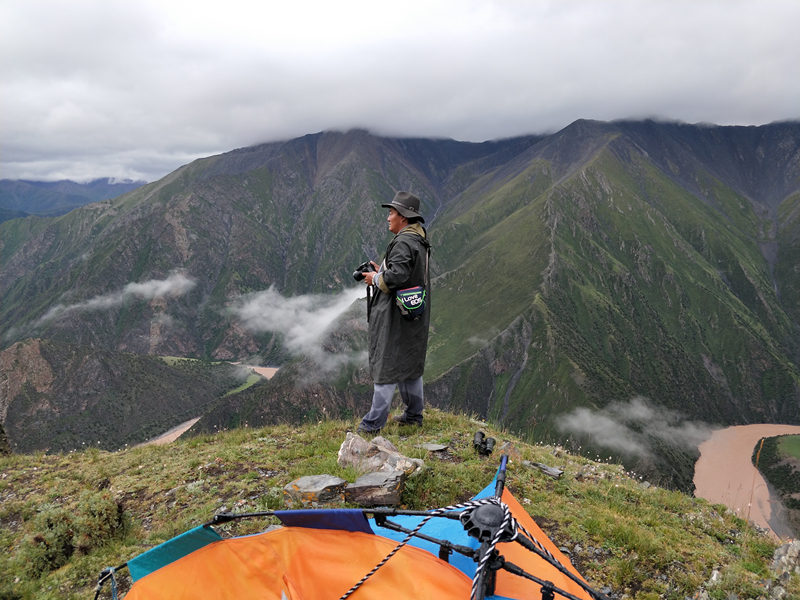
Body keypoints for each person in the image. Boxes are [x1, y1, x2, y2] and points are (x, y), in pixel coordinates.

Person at [358, 191, 431, 434]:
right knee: (409, 364)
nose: (388, 218)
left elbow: (397, 276)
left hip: (395, 317)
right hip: (412, 312)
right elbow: (406, 272)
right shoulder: (418, 239)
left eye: (391, 213)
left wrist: (375, 277)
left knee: (387, 366)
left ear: (403, 217)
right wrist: (384, 269)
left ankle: (372, 425)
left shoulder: (403, 242)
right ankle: (413, 415)